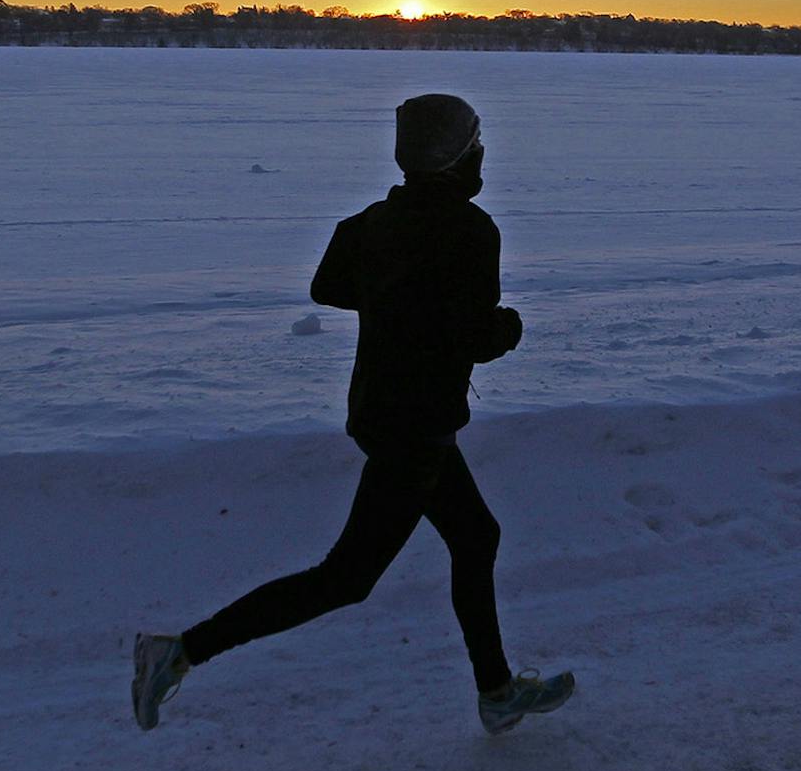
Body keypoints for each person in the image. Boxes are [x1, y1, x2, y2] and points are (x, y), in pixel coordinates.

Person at [131, 93, 574, 736]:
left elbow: (328, 287)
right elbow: (476, 336)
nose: (482, 154)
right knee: (346, 578)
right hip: (415, 427)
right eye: (475, 144)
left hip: (380, 411)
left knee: (477, 537)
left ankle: (497, 690)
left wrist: (398, 293)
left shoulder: (374, 222)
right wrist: (509, 327)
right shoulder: (471, 232)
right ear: (456, 157)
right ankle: (179, 651)